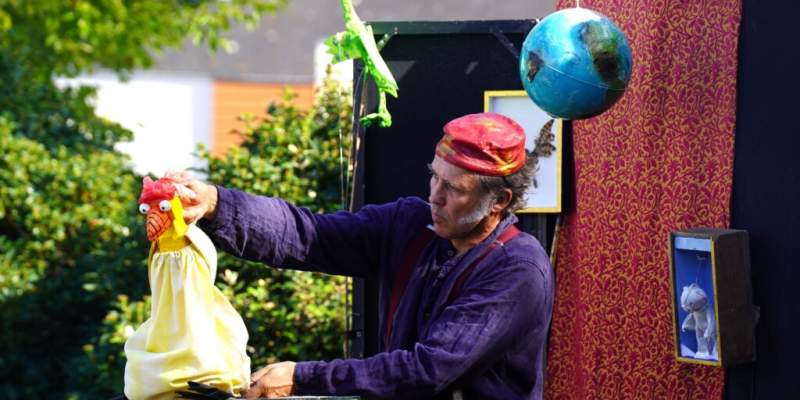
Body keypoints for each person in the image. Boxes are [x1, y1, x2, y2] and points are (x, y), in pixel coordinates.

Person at [181, 112, 555, 400]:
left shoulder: (517, 269)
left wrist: (301, 377)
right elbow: (308, 234)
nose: (435, 196)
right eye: (434, 177)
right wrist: (215, 203)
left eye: (454, 188)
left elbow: (428, 370)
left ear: (499, 201)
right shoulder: (408, 223)